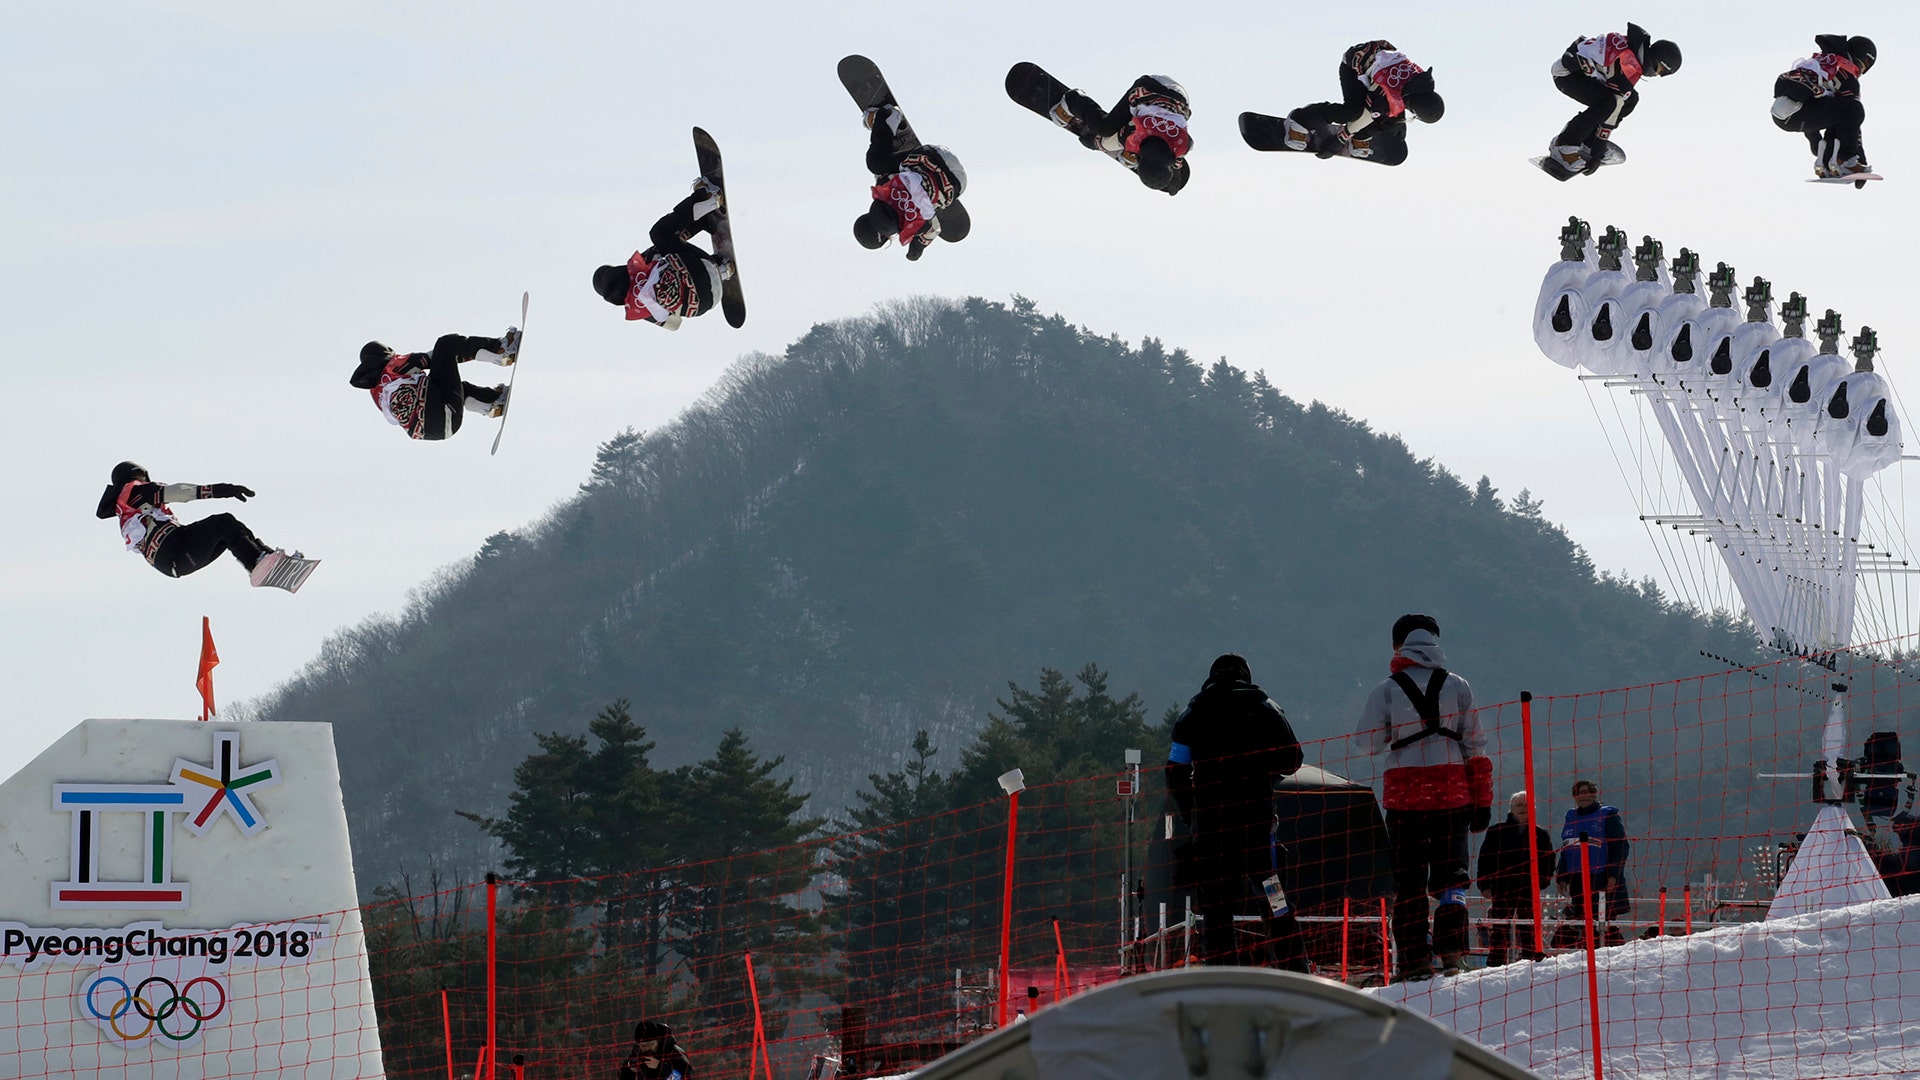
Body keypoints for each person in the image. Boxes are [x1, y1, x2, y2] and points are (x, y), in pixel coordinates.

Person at [1354, 614, 1491, 980]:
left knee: (1409, 880)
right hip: (1453, 791)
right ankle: (1451, 953)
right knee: (1453, 877)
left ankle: (1413, 960)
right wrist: (1482, 800)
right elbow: (1476, 745)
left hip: (1405, 796)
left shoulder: (1386, 689)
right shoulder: (1458, 685)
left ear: (1398, 646)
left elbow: (1366, 742)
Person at [1167, 653, 1306, 969]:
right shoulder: (1266, 708)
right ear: (1246, 676)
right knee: (1275, 900)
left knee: (1216, 908)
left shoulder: (1192, 713)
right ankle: (1295, 970)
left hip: (1211, 830)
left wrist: (1192, 814)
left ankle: (1221, 975)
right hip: (1256, 827)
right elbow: (1293, 759)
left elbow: (1174, 770)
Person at [94, 461, 292, 586]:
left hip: (172, 562)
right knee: (224, 523)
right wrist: (222, 490)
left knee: (232, 532)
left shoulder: (125, 508)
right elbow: (180, 492)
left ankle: (264, 558)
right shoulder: (136, 490)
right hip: (174, 548)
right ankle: (256, 561)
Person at [593, 181, 736, 329]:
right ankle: (709, 198)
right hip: (699, 271)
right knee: (659, 233)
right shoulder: (637, 269)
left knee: (680, 285)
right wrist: (697, 224)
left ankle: (724, 269)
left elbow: (674, 325)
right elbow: (667, 242)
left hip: (707, 302)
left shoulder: (640, 310)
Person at [1545, 23, 1682, 176]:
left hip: (1581, 72)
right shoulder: (1629, 64)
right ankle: (1564, 145)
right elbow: (1614, 107)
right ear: (1656, 60)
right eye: (1660, 70)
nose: (1656, 75)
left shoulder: (1632, 51)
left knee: (1630, 99)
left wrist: (1596, 145)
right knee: (1608, 103)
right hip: (1567, 74)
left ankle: (1587, 142)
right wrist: (1598, 151)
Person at [1282, 40, 1444, 165]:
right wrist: (1338, 141)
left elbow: (1398, 100)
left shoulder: (1421, 83)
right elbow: (1362, 118)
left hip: (1377, 65)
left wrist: (1398, 122)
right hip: (1353, 66)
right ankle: (1300, 119)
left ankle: (1361, 136)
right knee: (1352, 111)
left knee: (1393, 119)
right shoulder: (1384, 94)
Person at [349, 330, 517, 441]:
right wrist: (465, 351)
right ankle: (501, 349)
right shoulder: (393, 365)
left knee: (458, 388)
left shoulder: (378, 394)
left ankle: (492, 404)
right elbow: (434, 357)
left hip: (441, 429)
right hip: (441, 407)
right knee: (446, 344)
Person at [854, 105, 967, 261]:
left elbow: (933, 231)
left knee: (931, 204)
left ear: (888, 237)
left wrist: (915, 250)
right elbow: (883, 170)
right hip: (935, 155)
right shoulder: (882, 189)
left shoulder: (917, 227)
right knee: (876, 164)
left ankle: (935, 198)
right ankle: (885, 117)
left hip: (959, 184)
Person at [1050, 75, 1193, 194]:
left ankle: (1129, 152)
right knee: (1105, 129)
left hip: (1178, 94)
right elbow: (1104, 142)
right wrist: (1091, 142)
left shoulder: (1184, 145)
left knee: (1125, 133)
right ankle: (1073, 100)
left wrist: (1175, 177)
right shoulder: (1137, 132)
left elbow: (1177, 163)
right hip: (1149, 86)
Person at [1771, 35, 1876, 179]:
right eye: (1864, 64)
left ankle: (1824, 164)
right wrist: (1859, 157)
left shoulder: (1822, 62)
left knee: (1839, 114)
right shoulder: (1846, 73)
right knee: (1854, 109)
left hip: (1781, 116)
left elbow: (1814, 103)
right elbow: (1852, 120)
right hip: (1798, 111)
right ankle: (1846, 162)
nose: (1861, 70)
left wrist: (1816, 144)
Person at [1474, 791, 1556, 966]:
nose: (1523, 809)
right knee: (1499, 926)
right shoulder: (1496, 831)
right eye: (1519, 805)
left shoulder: (1540, 834)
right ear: (1511, 808)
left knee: (1529, 925)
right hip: (1501, 886)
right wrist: (1484, 885)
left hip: (1528, 887)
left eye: (1527, 806)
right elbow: (1484, 859)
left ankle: (1530, 960)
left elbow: (1549, 861)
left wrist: (1542, 882)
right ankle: (1496, 961)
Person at [1553, 779, 1630, 948]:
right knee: (1581, 921)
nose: (1584, 796)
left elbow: (1621, 847)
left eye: (1588, 792)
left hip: (1602, 879)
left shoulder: (1608, 815)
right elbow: (1567, 848)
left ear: (1594, 794)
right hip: (1578, 881)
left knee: (1605, 923)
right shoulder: (1571, 816)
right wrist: (1562, 876)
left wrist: (1613, 874)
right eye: (1579, 793)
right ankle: (1585, 955)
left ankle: (1612, 956)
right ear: (1574, 797)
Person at [618, 1020, 692, 1080]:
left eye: (651, 1044)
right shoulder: (637, 1055)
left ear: (658, 1041)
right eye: (643, 1045)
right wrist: (630, 1071)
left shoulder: (674, 1053)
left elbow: (684, 1077)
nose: (647, 1048)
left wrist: (660, 1067)